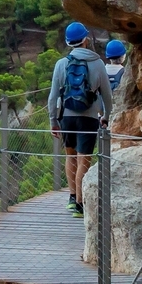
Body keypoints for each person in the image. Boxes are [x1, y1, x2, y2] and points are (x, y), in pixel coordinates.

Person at [48, 22, 112, 217]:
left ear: (69, 42)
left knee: (71, 156)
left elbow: (52, 97)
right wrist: (106, 117)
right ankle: (80, 204)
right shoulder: (98, 63)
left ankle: (72, 197)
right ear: (85, 39)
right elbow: (107, 96)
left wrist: (53, 121)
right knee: (84, 158)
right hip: (89, 118)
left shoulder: (61, 64)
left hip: (66, 117)